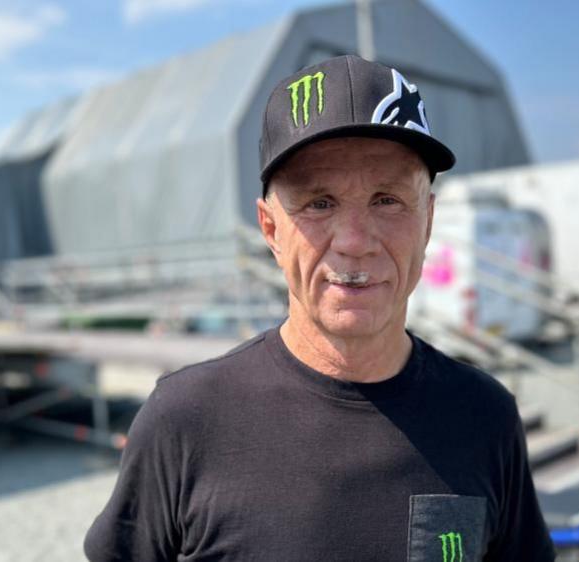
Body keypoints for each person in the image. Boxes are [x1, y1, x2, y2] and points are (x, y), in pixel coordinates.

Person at [84, 54, 555, 561]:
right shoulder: (185, 420)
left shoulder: (485, 416)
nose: (355, 241)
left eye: (387, 199)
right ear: (271, 230)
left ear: (429, 220)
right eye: (319, 203)